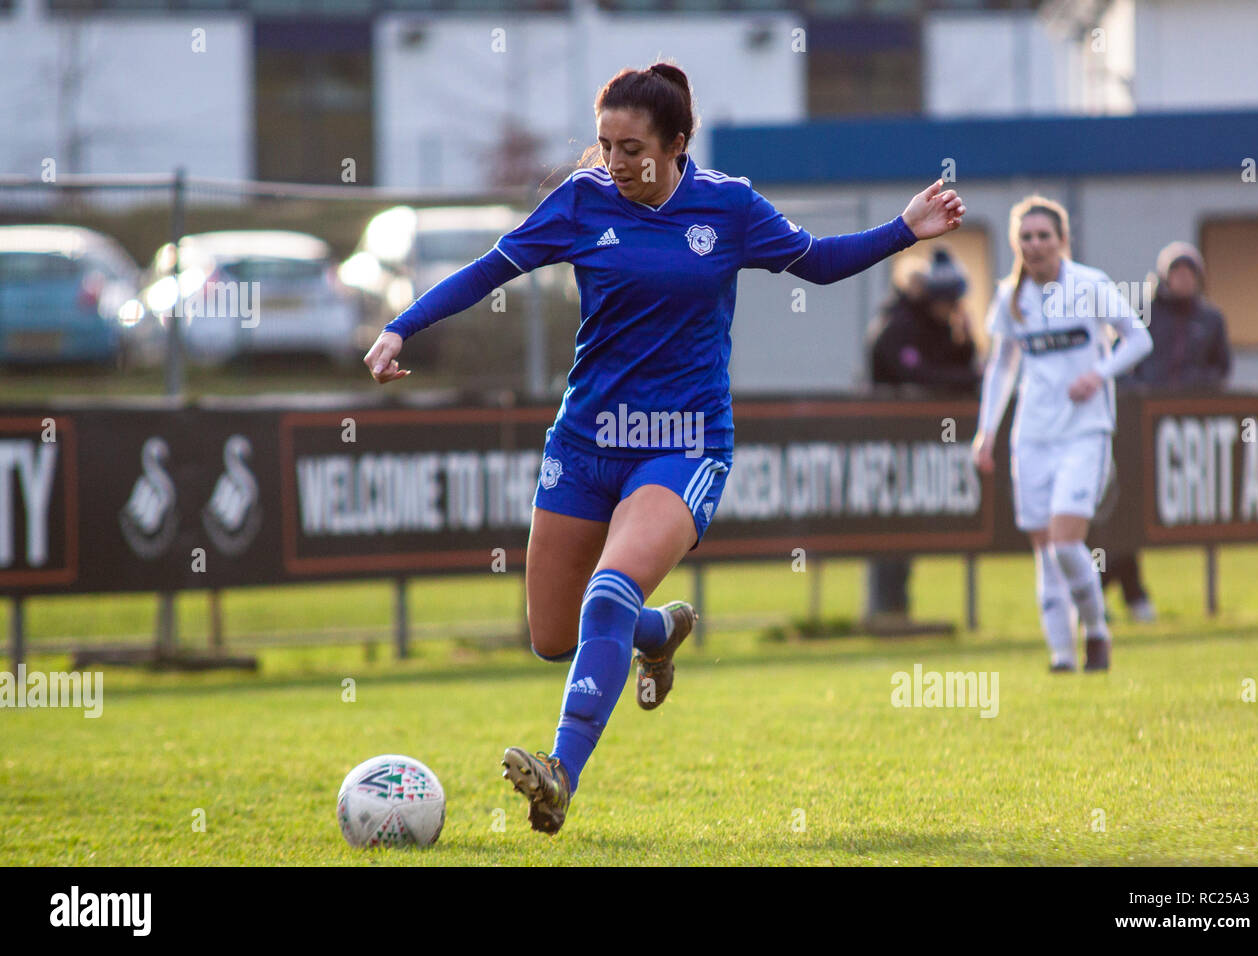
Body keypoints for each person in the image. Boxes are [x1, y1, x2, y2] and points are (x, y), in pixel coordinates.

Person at [365, 62, 965, 834]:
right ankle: (660, 630)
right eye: (605, 144)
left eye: (632, 148)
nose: (614, 164)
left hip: (683, 445)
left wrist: (902, 230)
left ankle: (560, 772)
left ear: (680, 143)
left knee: (607, 592)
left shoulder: (730, 207)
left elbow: (814, 263)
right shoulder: (582, 202)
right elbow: (490, 269)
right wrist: (398, 326)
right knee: (554, 636)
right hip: (583, 444)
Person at [971, 196, 1152, 673]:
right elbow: (1002, 367)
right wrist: (985, 432)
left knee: (1065, 542)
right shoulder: (1011, 297)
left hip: (1085, 431)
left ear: (1062, 239)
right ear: (1016, 243)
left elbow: (1138, 338)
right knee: (1043, 550)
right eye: (1025, 237)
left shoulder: (1089, 285)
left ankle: (1096, 629)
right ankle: (1061, 656)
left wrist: (1100, 372)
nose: (1034, 245)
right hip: (1031, 436)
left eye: (1043, 236)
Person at [1100, 241, 1231, 621]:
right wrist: (1137, 393)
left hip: (1185, 434)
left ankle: (1114, 593)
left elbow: (1221, 369)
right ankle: (1125, 592)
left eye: (1190, 273)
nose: (1183, 280)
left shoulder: (1210, 320)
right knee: (1128, 511)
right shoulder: (1142, 313)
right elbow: (1118, 359)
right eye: (1176, 273)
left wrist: (1194, 387)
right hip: (1138, 431)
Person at [866, 247, 980, 617]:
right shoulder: (898, 326)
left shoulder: (938, 326)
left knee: (905, 525)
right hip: (888, 443)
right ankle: (885, 607)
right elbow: (920, 375)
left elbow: (954, 364)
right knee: (888, 525)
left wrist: (965, 343)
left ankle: (897, 606)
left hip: (917, 445)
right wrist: (968, 377)